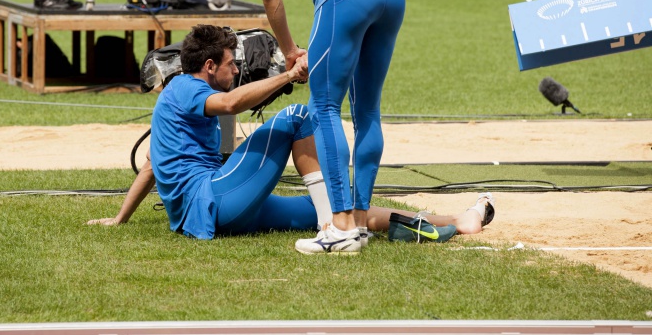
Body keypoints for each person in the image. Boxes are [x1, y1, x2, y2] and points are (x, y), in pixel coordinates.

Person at [88, 26, 494, 250]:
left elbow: (151, 165)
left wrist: (120, 219)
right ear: (209, 66)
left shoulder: (179, 95)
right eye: (231, 64)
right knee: (298, 115)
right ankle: (331, 230)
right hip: (214, 201)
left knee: (348, 210)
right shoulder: (184, 88)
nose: (237, 70)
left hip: (218, 210)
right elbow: (229, 104)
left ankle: (459, 221)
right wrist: (287, 76)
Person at [259, 0, 405, 254]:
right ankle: (360, 222)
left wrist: (290, 51)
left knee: (323, 106)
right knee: (367, 111)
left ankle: (340, 228)